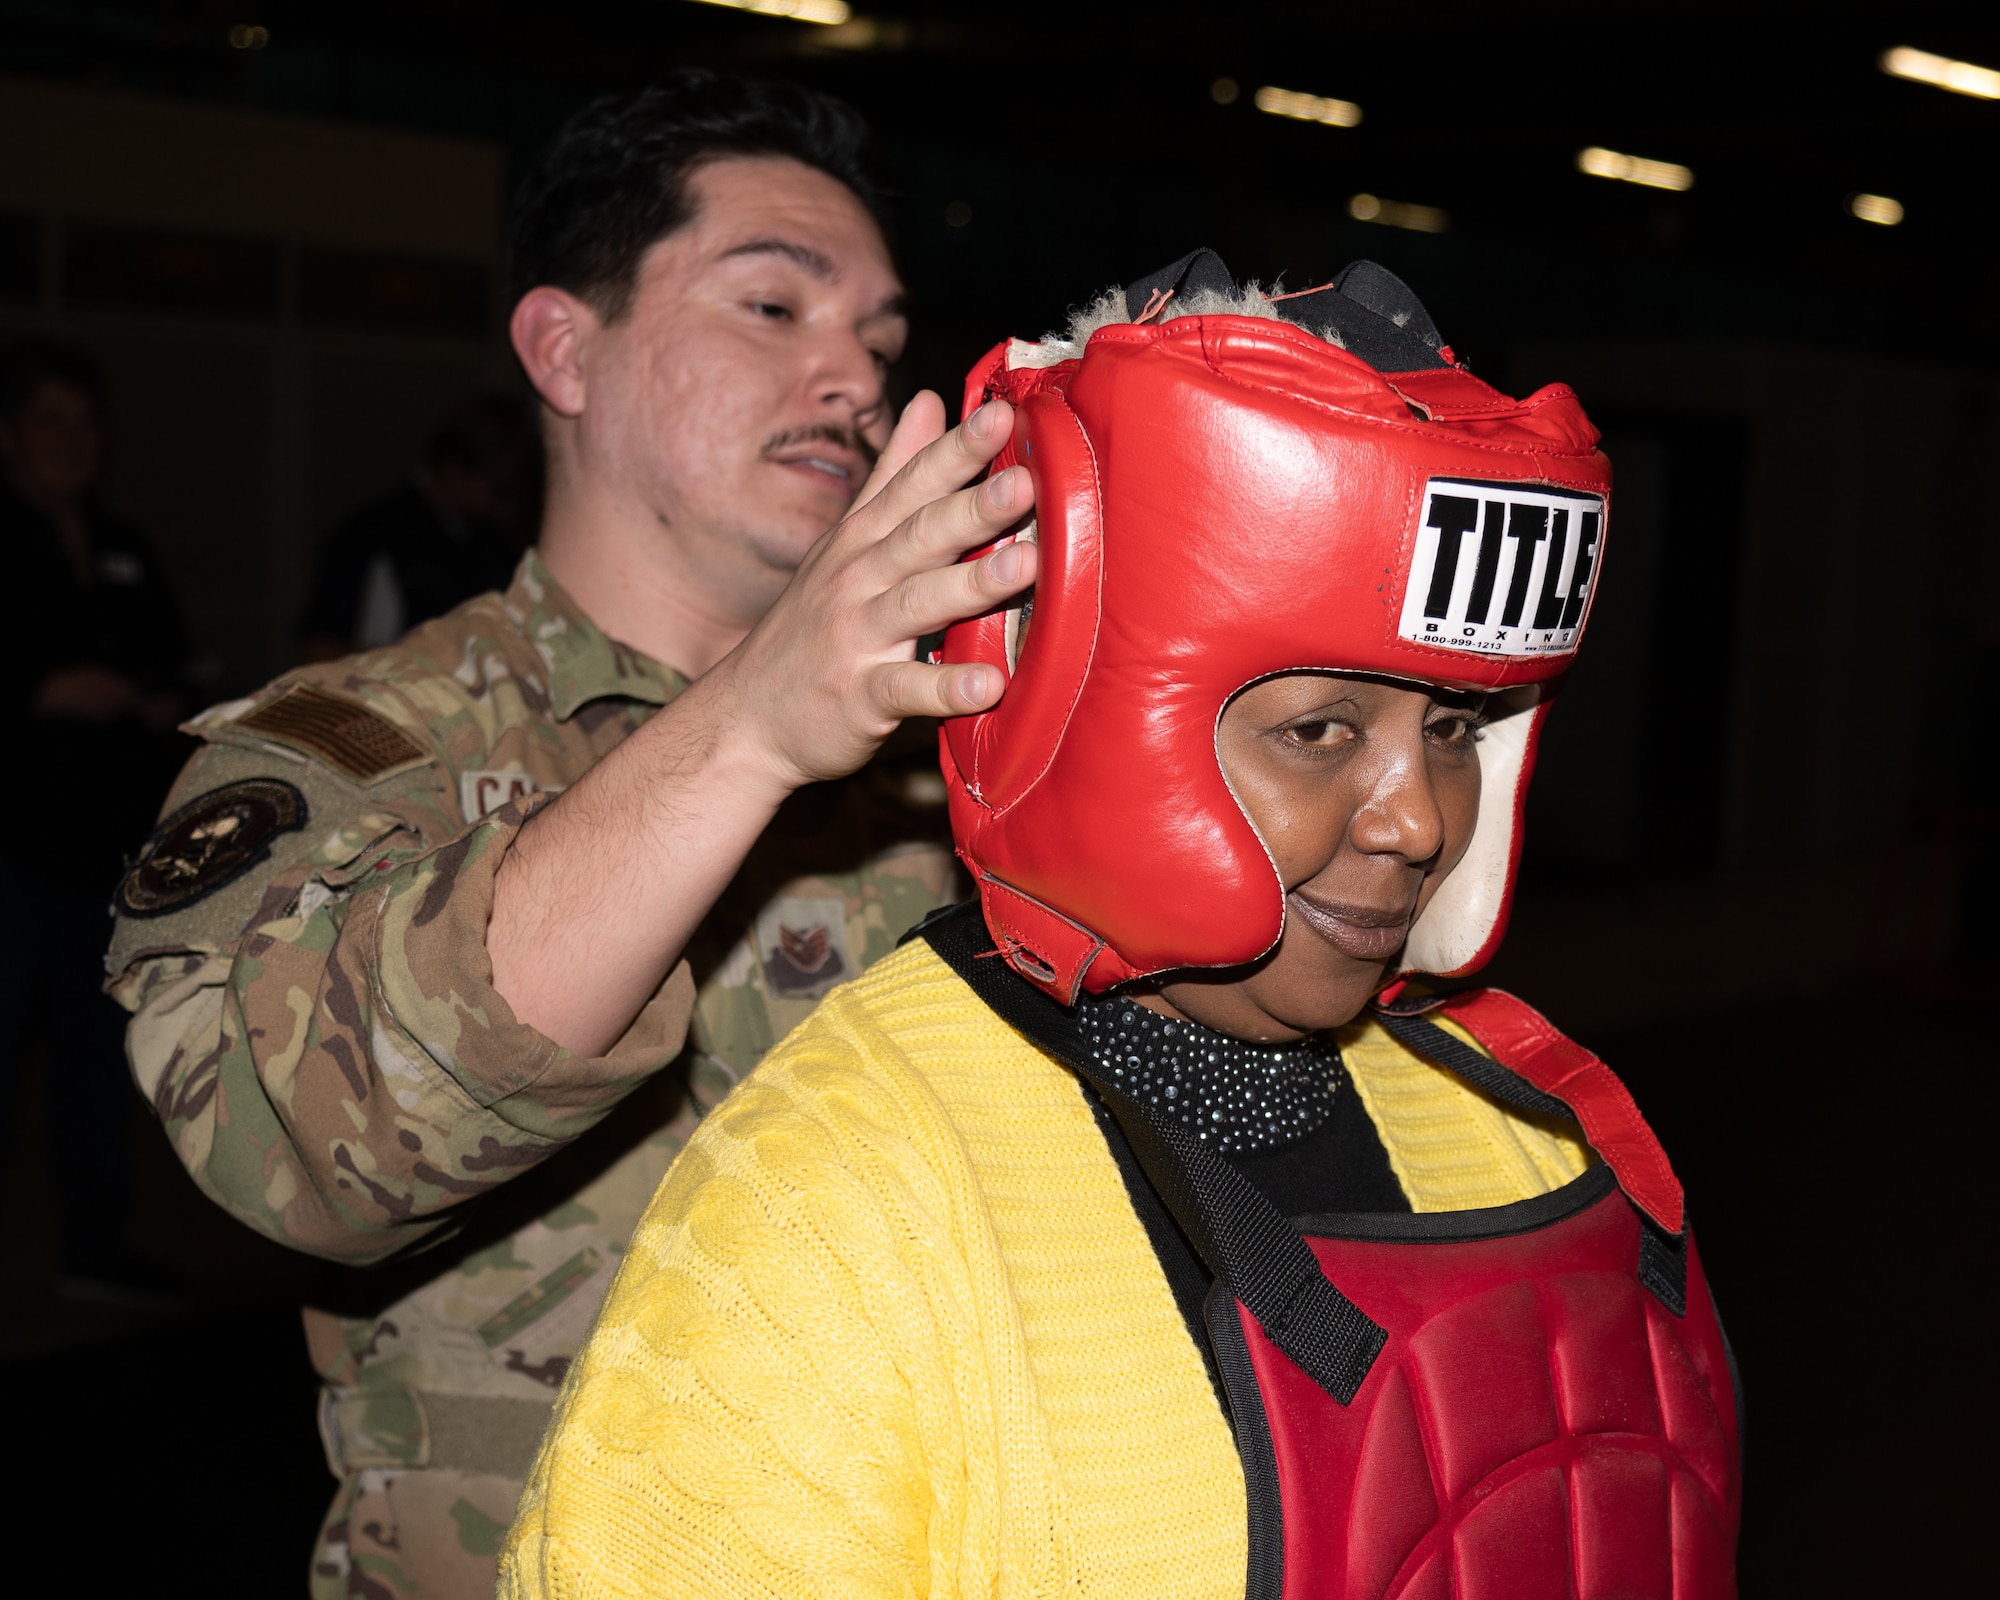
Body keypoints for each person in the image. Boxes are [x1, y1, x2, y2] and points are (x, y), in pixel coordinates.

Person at [499, 253, 1744, 1599]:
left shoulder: (1522, 1129)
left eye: (1451, 728)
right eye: (1321, 730)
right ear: (1073, 710)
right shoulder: (831, 1212)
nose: (1418, 822)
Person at [105, 71, 1040, 1600]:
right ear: (564, 350)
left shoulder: (970, 752)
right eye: (772, 308)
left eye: (879, 337)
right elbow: (289, 1153)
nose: (857, 378)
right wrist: (749, 720)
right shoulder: (362, 744)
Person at [0, 339, 188, 1295]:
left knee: (93, 1056)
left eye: (85, 422)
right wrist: (42, 690)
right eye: (50, 421)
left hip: (103, 858)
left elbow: (171, 657)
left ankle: (95, 1249)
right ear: (9, 435)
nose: (71, 441)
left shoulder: (120, 546)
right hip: (13, 852)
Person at [298, 394, 539, 662]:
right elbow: (320, 647)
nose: (508, 509)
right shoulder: (371, 536)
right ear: (455, 467)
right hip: (392, 695)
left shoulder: (495, 546)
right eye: (500, 492)